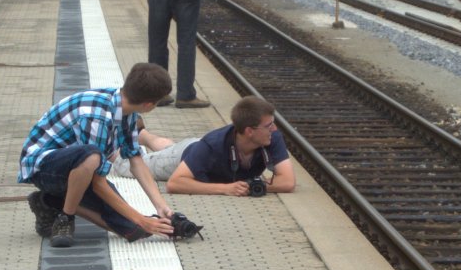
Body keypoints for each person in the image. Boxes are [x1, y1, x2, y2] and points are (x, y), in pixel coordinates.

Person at [19, 62, 177, 247]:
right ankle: (66, 217)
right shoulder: (97, 116)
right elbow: (97, 180)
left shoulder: (126, 110)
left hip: (77, 170)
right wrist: (141, 218)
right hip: (44, 168)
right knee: (92, 157)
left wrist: (160, 206)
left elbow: (135, 160)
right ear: (149, 104)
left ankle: (50, 201)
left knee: (131, 229)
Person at [166, 97, 297, 195]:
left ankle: (152, 139)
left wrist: (251, 186)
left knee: (166, 144)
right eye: (269, 125)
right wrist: (224, 189)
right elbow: (174, 183)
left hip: (200, 148)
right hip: (182, 155)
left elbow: (287, 182)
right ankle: (146, 137)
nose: (274, 129)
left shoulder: (271, 137)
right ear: (249, 131)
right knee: (149, 160)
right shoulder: (210, 146)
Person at [109, 117, 199, 181]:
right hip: (187, 156)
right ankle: (108, 146)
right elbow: (174, 184)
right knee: (126, 165)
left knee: (172, 151)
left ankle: (138, 133)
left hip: (193, 146)